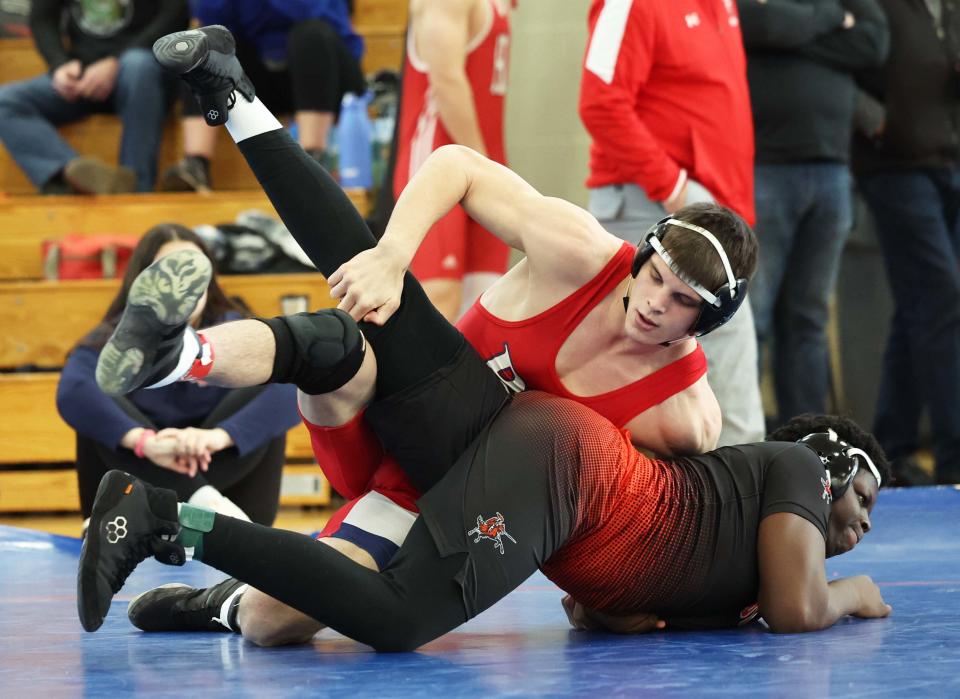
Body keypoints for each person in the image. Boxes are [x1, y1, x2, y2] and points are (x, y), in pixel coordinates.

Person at [77, 25, 888, 648]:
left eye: (681, 305)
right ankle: (227, 115)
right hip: (439, 423)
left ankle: (206, 571)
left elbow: (621, 550)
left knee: (274, 620)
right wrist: (396, 257)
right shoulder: (580, 253)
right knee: (362, 315)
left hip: (457, 471)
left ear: (703, 326)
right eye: (656, 280)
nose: (654, 305)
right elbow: (457, 165)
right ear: (640, 257)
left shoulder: (686, 415)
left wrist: (612, 600)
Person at [577, 0, 765, 447]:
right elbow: (600, 102)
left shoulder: (722, 5)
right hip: (659, 208)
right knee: (722, 371)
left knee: (714, 377)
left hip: (705, 210)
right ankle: (751, 505)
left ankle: (736, 501)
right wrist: (676, 188)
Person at [56, 224, 301, 526]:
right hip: (140, 480)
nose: (185, 284)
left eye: (195, 271)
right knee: (96, 398)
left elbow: (293, 391)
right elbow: (72, 390)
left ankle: (202, 501)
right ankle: (203, 502)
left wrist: (216, 438)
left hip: (220, 471)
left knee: (276, 377)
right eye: (170, 272)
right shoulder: (114, 339)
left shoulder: (236, 328)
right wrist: (145, 442)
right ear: (142, 281)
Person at [738, 0, 888, 426]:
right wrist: (829, 21)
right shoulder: (831, 9)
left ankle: (806, 444)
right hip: (765, 169)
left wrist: (794, 34)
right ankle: (741, 444)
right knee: (753, 315)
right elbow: (760, 23)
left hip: (832, 172)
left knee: (809, 317)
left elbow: (873, 43)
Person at [851, 0, 960, 486]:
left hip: (947, 160)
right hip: (895, 166)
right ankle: (954, 454)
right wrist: (871, 117)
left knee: (918, 308)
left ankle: (890, 448)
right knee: (941, 299)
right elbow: (834, 54)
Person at [387, 0, 513, 321]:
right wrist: (483, 168)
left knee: (487, 302)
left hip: (483, 159)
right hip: (438, 163)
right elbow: (446, 80)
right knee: (438, 301)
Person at [160, 0, 364, 192]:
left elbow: (313, 12)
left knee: (310, 34)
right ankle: (196, 164)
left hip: (329, 72)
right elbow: (213, 17)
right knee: (205, 43)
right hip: (265, 70)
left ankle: (312, 161)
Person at [0, 0, 188, 193]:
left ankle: (136, 186)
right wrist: (59, 64)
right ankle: (71, 177)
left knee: (137, 65)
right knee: (6, 101)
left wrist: (116, 61)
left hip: (146, 78)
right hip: (84, 76)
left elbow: (176, 15)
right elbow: (43, 19)